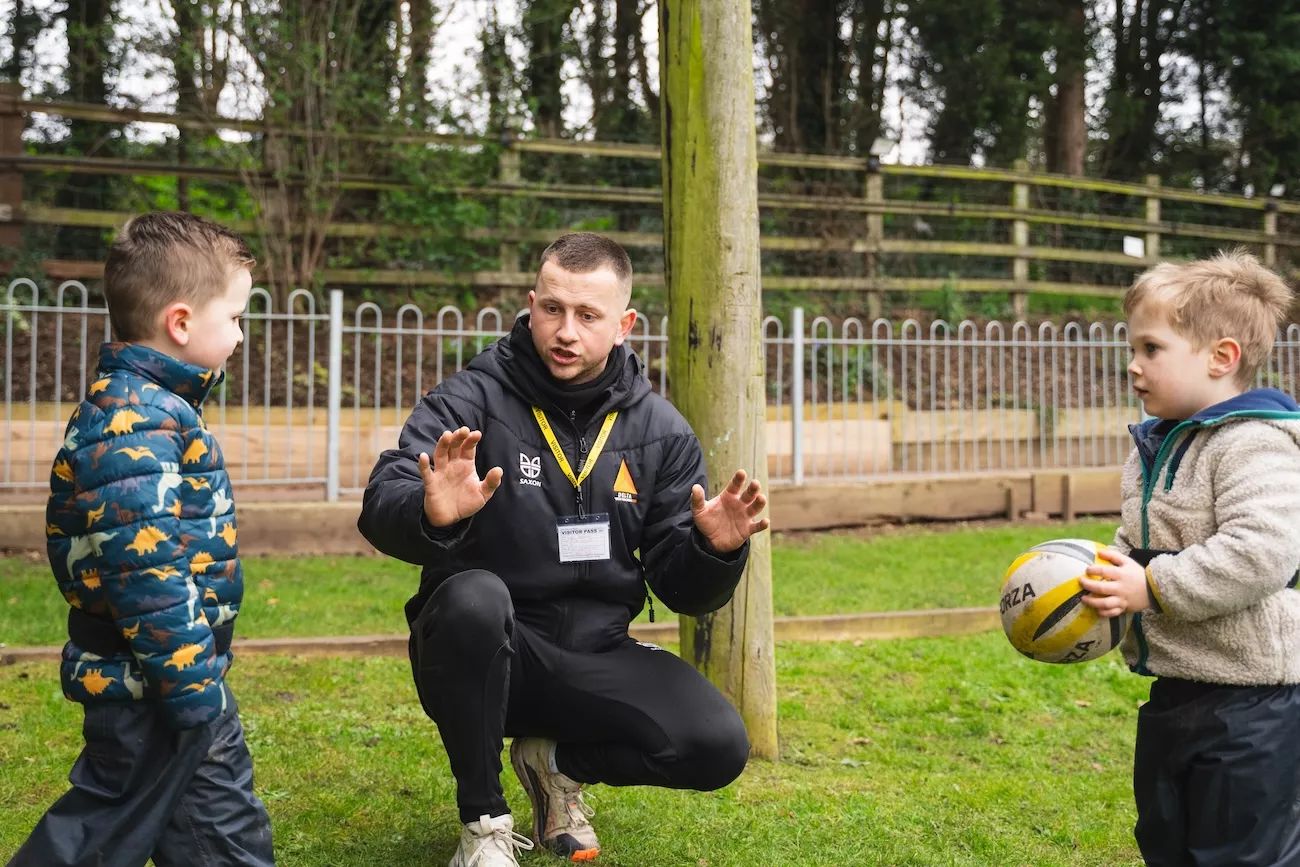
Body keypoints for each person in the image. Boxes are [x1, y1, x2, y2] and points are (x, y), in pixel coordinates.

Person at [358, 232, 769, 867]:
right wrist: (428, 511)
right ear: (530, 304)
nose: (565, 332)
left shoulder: (661, 432)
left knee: (717, 745)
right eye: (552, 309)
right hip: (487, 652)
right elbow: (382, 500)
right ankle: (484, 825)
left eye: (587, 315)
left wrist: (714, 550)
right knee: (471, 594)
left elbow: (681, 589)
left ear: (625, 323)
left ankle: (553, 764)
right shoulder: (472, 399)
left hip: (595, 653)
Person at [10, 212, 274, 867]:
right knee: (103, 828)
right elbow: (145, 573)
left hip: (183, 675)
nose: (241, 335)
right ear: (181, 323)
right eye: (235, 317)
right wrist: (190, 690)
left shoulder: (161, 409)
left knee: (222, 829)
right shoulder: (134, 425)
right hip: (152, 685)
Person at [1079, 249, 1300, 866]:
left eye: (1151, 348)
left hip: (1252, 703)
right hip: (1176, 690)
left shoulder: (1255, 443)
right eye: (1133, 348)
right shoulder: (1155, 446)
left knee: (1240, 853)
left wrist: (1149, 587)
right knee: (1167, 842)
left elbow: (1263, 552)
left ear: (1221, 357)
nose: (1133, 365)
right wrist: (1099, 585)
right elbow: (1138, 546)